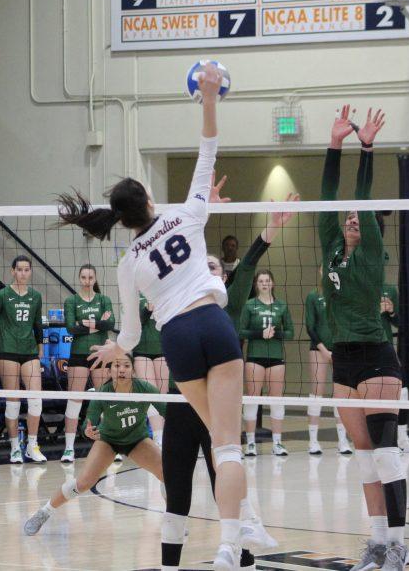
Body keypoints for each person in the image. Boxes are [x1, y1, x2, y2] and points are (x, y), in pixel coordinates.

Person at [57, 65, 251, 570]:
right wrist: (208, 97)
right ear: (148, 199)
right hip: (213, 322)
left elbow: (130, 333)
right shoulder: (188, 214)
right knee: (228, 446)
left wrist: (112, 349)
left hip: (177, 340)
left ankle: (243, 534)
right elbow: (208, 145)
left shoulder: (127, 263)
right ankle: (233, 542)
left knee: (219, 435)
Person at [160, 200, 294, 571]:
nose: (208, 270)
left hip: (217, 404)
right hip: (181, 403)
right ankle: (169, 566)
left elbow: (248, 264)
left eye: (214, 266)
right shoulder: (178, 298)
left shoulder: (229, 302)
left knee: (227, 475)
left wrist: (269, 232)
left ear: (222, 277)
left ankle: (243, 557)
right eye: (204, 266)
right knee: (176, 493)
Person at [320, 105, 409, 570]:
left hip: (377, 358)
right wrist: (334, 145)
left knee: (387, 455)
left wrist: (366, 148)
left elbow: (358, 192)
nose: (352, 219)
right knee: (364, 459)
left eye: (359, 217)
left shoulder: (371, 251)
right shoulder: (331, 248)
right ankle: (376, 542)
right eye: (349, 218)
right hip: (343, 361)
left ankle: (398, 543)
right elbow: (329, 194)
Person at [23, 353, 164, 535]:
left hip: (137, 440)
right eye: (117, 366)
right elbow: (88, 423)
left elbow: (169, 410)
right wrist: (88, 431)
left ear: (133, 370)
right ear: (110, 369)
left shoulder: (144, 388)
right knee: (83, 483)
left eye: (126, 366)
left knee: (168, 474)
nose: (121, 370)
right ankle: (44, 512)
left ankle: (174, 519)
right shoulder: (103, 393)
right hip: (108, 441)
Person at [0, 255, 46, 463]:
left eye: (27, 270)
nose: (23, 273)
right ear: (12, 271)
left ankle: (32, 445)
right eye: (19, 269)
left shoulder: (36, 296)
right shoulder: (3, 294)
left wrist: (40, 348)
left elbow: (38, 325)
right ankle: (15, 446)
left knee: (36, 398)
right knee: (13, 402)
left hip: (29, 352)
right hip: (7, 351)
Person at [61, 264, 115, 463]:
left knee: (104, 400)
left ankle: (109, 446)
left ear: (95, 279)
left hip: (100, 354)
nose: (86, 281)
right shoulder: (71, 301)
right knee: (74, 400)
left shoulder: (104, 299)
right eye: (83, 277)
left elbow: (110, 324)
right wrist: (97, 325)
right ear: (79, 278)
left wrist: (84, 324)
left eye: (90, 277)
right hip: (78, 355)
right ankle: (68, 448)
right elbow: (70, 328)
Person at [240, 269, 293, 457]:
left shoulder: (281, 306)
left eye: (267, 280)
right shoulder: (249, 305)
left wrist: (276, 333)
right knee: (253, 399)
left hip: (276, 358)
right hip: (255, 358)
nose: (264, 283)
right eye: (261, 281)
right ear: (256, 284)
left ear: (273, 283)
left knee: (276, 400)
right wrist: (259, 334)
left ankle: (277, 443)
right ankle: (251, 443)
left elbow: (291, 333)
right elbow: (241, 331)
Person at [305, 278, 352, 456]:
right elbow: (310, 327)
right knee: (317, 393)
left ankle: (342, 440)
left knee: (340, 393)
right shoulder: (313, 296)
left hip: (340, 348)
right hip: (319, 349)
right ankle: (313, 440)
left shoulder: (342, 294)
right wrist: (324, 350)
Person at [380, 279, 409, 453]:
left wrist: (391, 312)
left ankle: (402, 439)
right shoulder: (357, 284)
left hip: (387, 347)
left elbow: (400, 323)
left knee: (402, 390)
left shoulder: (389, 289)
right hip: (365, 348)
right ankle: (379, 441)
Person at [134, 292, 166, 451]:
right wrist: (147, 310)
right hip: (142, 350)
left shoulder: (165, 290)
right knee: (150, 394)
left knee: (163, 396)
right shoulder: (134, 294)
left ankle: (165, 436)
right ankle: (158, 437)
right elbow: (133, 324)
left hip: (163, 349)